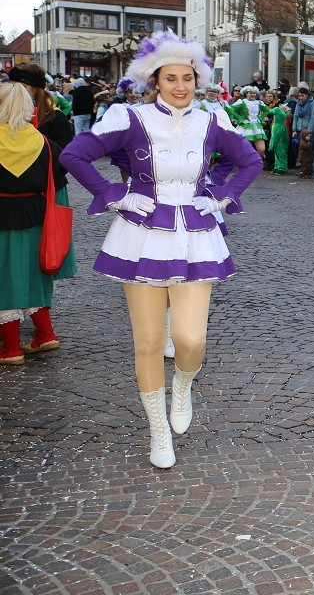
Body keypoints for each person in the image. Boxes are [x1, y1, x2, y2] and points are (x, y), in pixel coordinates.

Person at [60, 30, 262, 469]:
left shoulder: (213, 120)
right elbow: (73, 155)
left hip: (196, 234)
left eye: (187, 77)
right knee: (149, 342)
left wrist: (221, 196)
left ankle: (185, 385)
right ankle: (157, 431)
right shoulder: (127, 117)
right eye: (170, 78)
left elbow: (250, 161)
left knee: (190, 341)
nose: (180, 86)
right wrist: (115, 194)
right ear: (156, 80)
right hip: (140, 234)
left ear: (197, 79)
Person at [0, 83, 65, 364]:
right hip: (38, 216)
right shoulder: (46, 144)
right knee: (33, 275)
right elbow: (61, 177)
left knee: (4, 279)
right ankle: (45, 334)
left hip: (2, 216)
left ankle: (11, 349)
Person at [228, 86, 268, 160]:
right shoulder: (242, 102)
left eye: (254, 93)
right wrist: (240, 118)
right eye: (250, 93)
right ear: (246, 94)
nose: (252, 94)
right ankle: (249, 164)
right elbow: (231, 109)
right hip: (245, 127)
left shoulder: (259, 102)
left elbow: (266, 110)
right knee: (247, 149)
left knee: (262, 149)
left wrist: (261, 117)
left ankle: (256, 161)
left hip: (257, 126)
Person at [264, 90, 289, 175]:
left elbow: (275, 136)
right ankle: (277, 166)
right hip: (279, 142)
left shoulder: (278, 125)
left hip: (279, 142)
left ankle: (282, 167)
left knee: (280, 153)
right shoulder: (278, 123)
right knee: (277, 154)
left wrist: (271, 145)